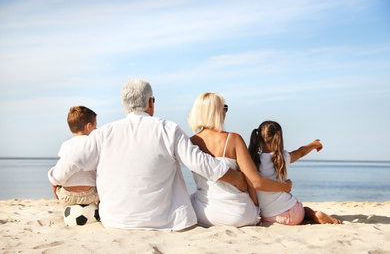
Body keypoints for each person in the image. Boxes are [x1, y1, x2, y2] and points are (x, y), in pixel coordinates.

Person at [48, 79, 247, 231]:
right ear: (150, 102)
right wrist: (237, 178)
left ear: (124, 106)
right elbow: (201, 163)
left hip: (116, 221)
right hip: (166, 221)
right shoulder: (169, 129)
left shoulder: (103, 134)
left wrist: (54, 179)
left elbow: (72, 160)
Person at [187, 92, 292, 227]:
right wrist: (285, 186)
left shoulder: (190, 143)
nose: (225, 113)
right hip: (237, 214)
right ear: (215, 112)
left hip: (203, 214)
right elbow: (255, 182)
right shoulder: (233, 139)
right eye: (224, 108)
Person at [248, 120, 341, 225]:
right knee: (304, 210)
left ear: (258, 137)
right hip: (294, 213)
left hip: (270, 217)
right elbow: (300, 152)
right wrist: (313, 144)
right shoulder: (282, 157)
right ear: (279, 138)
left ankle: (309, 220)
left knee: (288, 217)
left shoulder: (252, 161)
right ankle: (314, 215)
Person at [48, 106, 99, 206]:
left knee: (56, 171)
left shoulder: (65, 145)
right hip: (91, 195)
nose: (96, 129)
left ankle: (66, 209)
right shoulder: (93, 144)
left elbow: (63, 168)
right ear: (89, 126)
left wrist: (56, 191)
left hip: (68, 196)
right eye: (95, 126)